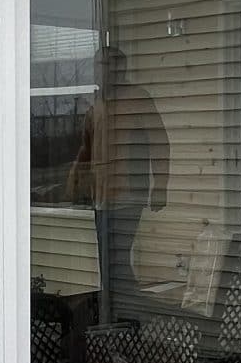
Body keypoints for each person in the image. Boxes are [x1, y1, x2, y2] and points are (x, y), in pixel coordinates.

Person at [66, 48, 169, 324]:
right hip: (100, 199)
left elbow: (160, 143)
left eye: (109, 65)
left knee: (118, 260)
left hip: (127, 196)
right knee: (107, 263)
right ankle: (115, 318)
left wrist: (160, 187)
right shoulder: (96, 106)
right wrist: (74, 183)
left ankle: (127, 318)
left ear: (121, 70)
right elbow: (85, 151)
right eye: (99, 65)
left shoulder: (138, 100)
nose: (103, 71)